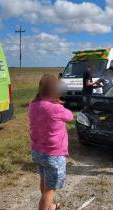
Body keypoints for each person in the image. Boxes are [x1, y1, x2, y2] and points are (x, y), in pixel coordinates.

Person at [28, 74, 74, 210]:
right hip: (53, 155)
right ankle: (47, 205)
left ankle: (51, 206)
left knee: (44, 180)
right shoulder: (56, 108)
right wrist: (58, 102)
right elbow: (70, 116)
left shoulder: (33, 104)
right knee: (50, 189)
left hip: (37, 152)